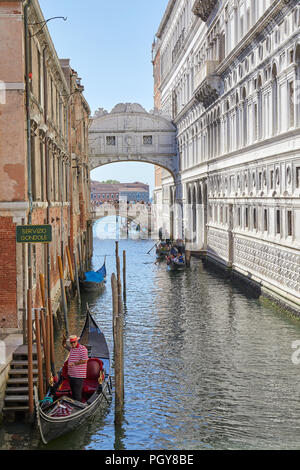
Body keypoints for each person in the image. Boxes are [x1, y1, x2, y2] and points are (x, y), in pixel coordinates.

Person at [62, 334, 88, 402]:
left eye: (74, 342)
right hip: (71, 375)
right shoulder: (72, 349)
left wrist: (74, 363)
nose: (73, 344)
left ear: (77, 341)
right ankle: (74, 408)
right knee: (73, 394)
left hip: (79, 376)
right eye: (71, 342)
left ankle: (78, 408)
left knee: (77, 395)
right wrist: (64, 340)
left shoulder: (82, 349)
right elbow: (64, 345)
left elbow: (85, 360)